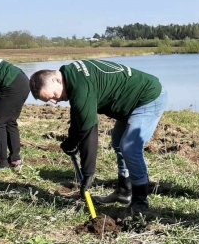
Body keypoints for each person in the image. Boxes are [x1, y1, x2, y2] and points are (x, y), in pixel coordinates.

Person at [29, 60, 167, 211]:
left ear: (57, 80)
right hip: (131, 101)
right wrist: (72, 140)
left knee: (130, 147)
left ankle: (140, 200)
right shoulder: (72, 76)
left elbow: (89, 133)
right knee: (118, 142)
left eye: (53, 96)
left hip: (147, 97)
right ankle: (124, 191)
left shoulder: (81, 86)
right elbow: (79, 115)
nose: (55, 102)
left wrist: (88, 174)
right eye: (49, 100)